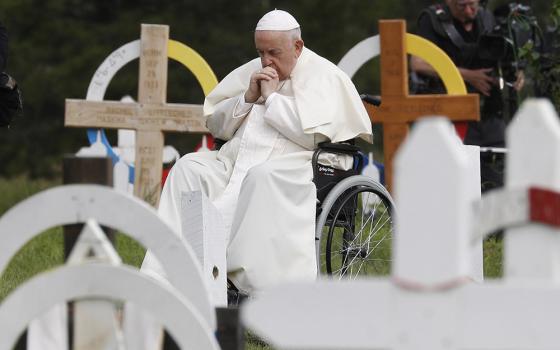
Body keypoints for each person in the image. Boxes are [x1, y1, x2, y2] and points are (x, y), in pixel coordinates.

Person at [143, 9, 372, 299]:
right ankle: (162, 275)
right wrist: (247, 98)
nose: (266, 61)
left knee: (260, 177)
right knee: (188, 167)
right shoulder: (252, 70)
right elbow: (217, 127)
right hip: (234, 161)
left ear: (297, 46)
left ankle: (249, 287)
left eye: (273, 52)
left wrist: (273, 98)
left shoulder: (326, 76)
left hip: (297, 164)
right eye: (261, 52)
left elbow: (312, 135)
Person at [410, 0, 524, 191]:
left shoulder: (486, 18)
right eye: (462, 6)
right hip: (452, 112)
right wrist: (468, 76)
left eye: (473, 5)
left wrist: (515, 72)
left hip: (488, 110)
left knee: (504, 166)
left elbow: (505, 54)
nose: (469, 11)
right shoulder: (433, 20)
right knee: (460, 172)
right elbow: (418, 63)